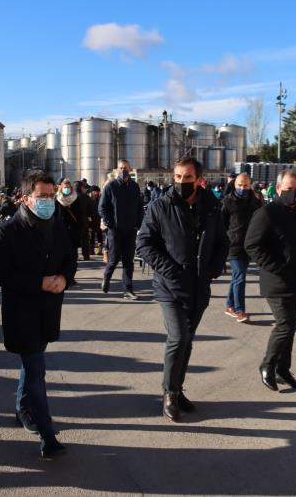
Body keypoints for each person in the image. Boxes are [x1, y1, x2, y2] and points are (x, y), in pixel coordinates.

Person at [0, 171, 76, 459]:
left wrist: (65, 278)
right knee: (37, 369)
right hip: (22, 313)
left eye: (52, 196)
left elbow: (69, 259)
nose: (49, 201)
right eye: (42, 197)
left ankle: (21, 408)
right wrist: (37, 282)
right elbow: (0, 273)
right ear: (25, 198)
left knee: (32, 366)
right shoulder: (7, 231)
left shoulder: (58, 226)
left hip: (49, 311)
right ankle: (47, 434)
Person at [136, 158, 227, 422]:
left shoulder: (212, 207)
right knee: (178, 338)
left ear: (199, 179)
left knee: (187, 341)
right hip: (170, 286)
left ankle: (178, 388)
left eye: (187, 178)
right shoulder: (159, 206)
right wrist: (171, 270)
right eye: (177, 177)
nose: (181, 182)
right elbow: (144, 245)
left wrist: (215, 268)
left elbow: (222, 241)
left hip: (199, 287)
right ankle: (169, 394)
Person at [244, 170, 296, 392]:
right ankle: (268, 365)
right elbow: (252, 245)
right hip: (277, 282)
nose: (293, 193)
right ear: (279, 188)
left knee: (291, 327)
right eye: (289, 189)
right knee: (285, 325)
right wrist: (277, 267)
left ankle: (283, 369)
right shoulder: (267, 213)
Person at [98, 159, 143, 300]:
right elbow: (102, 207)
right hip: (115, 230)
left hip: (130, 229)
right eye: (120, 168)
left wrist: (139, 223)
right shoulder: (111, 186)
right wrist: (110, 223)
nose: (123, 170)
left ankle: (128, 289)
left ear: (130, 169)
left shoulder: (135, 187)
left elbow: (139, 207)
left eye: (125, 168)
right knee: (114, 258)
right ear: (116, 170)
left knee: (128, 260)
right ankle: (107, 276)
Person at [221, 173, 262, 323]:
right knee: (240, 277)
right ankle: (240, 310)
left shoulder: (255, 202)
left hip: (249, 245)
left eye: (245, 185)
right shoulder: (227, 202)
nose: (242, 188)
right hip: (233, 246)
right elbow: (221, 225)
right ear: (234, 185)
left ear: (250, 185)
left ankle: (230, 306)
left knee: (237, 277)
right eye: (239, 185)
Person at [55, 179, 87, 262]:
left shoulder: (76, 199)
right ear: (61, 187)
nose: (67, 188)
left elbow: (80, 214)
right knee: (61, 250)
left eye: (68, 186)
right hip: (61, 229)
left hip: (73, 229)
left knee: (73, 252)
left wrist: (81, 227)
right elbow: (54, 215)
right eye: (65, 186)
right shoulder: (57, 199)